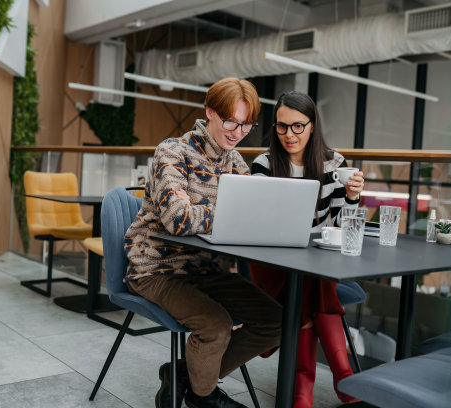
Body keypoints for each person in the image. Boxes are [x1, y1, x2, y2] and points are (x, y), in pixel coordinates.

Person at [124, 77, 283, 408]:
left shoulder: (236, 164)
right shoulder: (173, 152)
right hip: (157, 267)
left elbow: (248, 221)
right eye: (230, 121)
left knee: (277, 320)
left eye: (246, 125)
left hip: (207, 267)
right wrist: (220, 211)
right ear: (209, 111)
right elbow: (177, 220)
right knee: (216, 325)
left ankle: (184, 374)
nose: (237, 132)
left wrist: (200, 208)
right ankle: (203, 397)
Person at [249, 91, 365, 407]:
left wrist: (353, 198)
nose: (290, 135)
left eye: (298, 126)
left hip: (315, 261)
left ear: (312, 126)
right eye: (282, 127)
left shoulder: (335, 164)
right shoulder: (263, 164)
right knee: (313, 277)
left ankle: (302, 391)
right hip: (272, 261)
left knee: (312, 277)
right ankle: (342, 375)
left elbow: (343, 223)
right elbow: (257, 224)